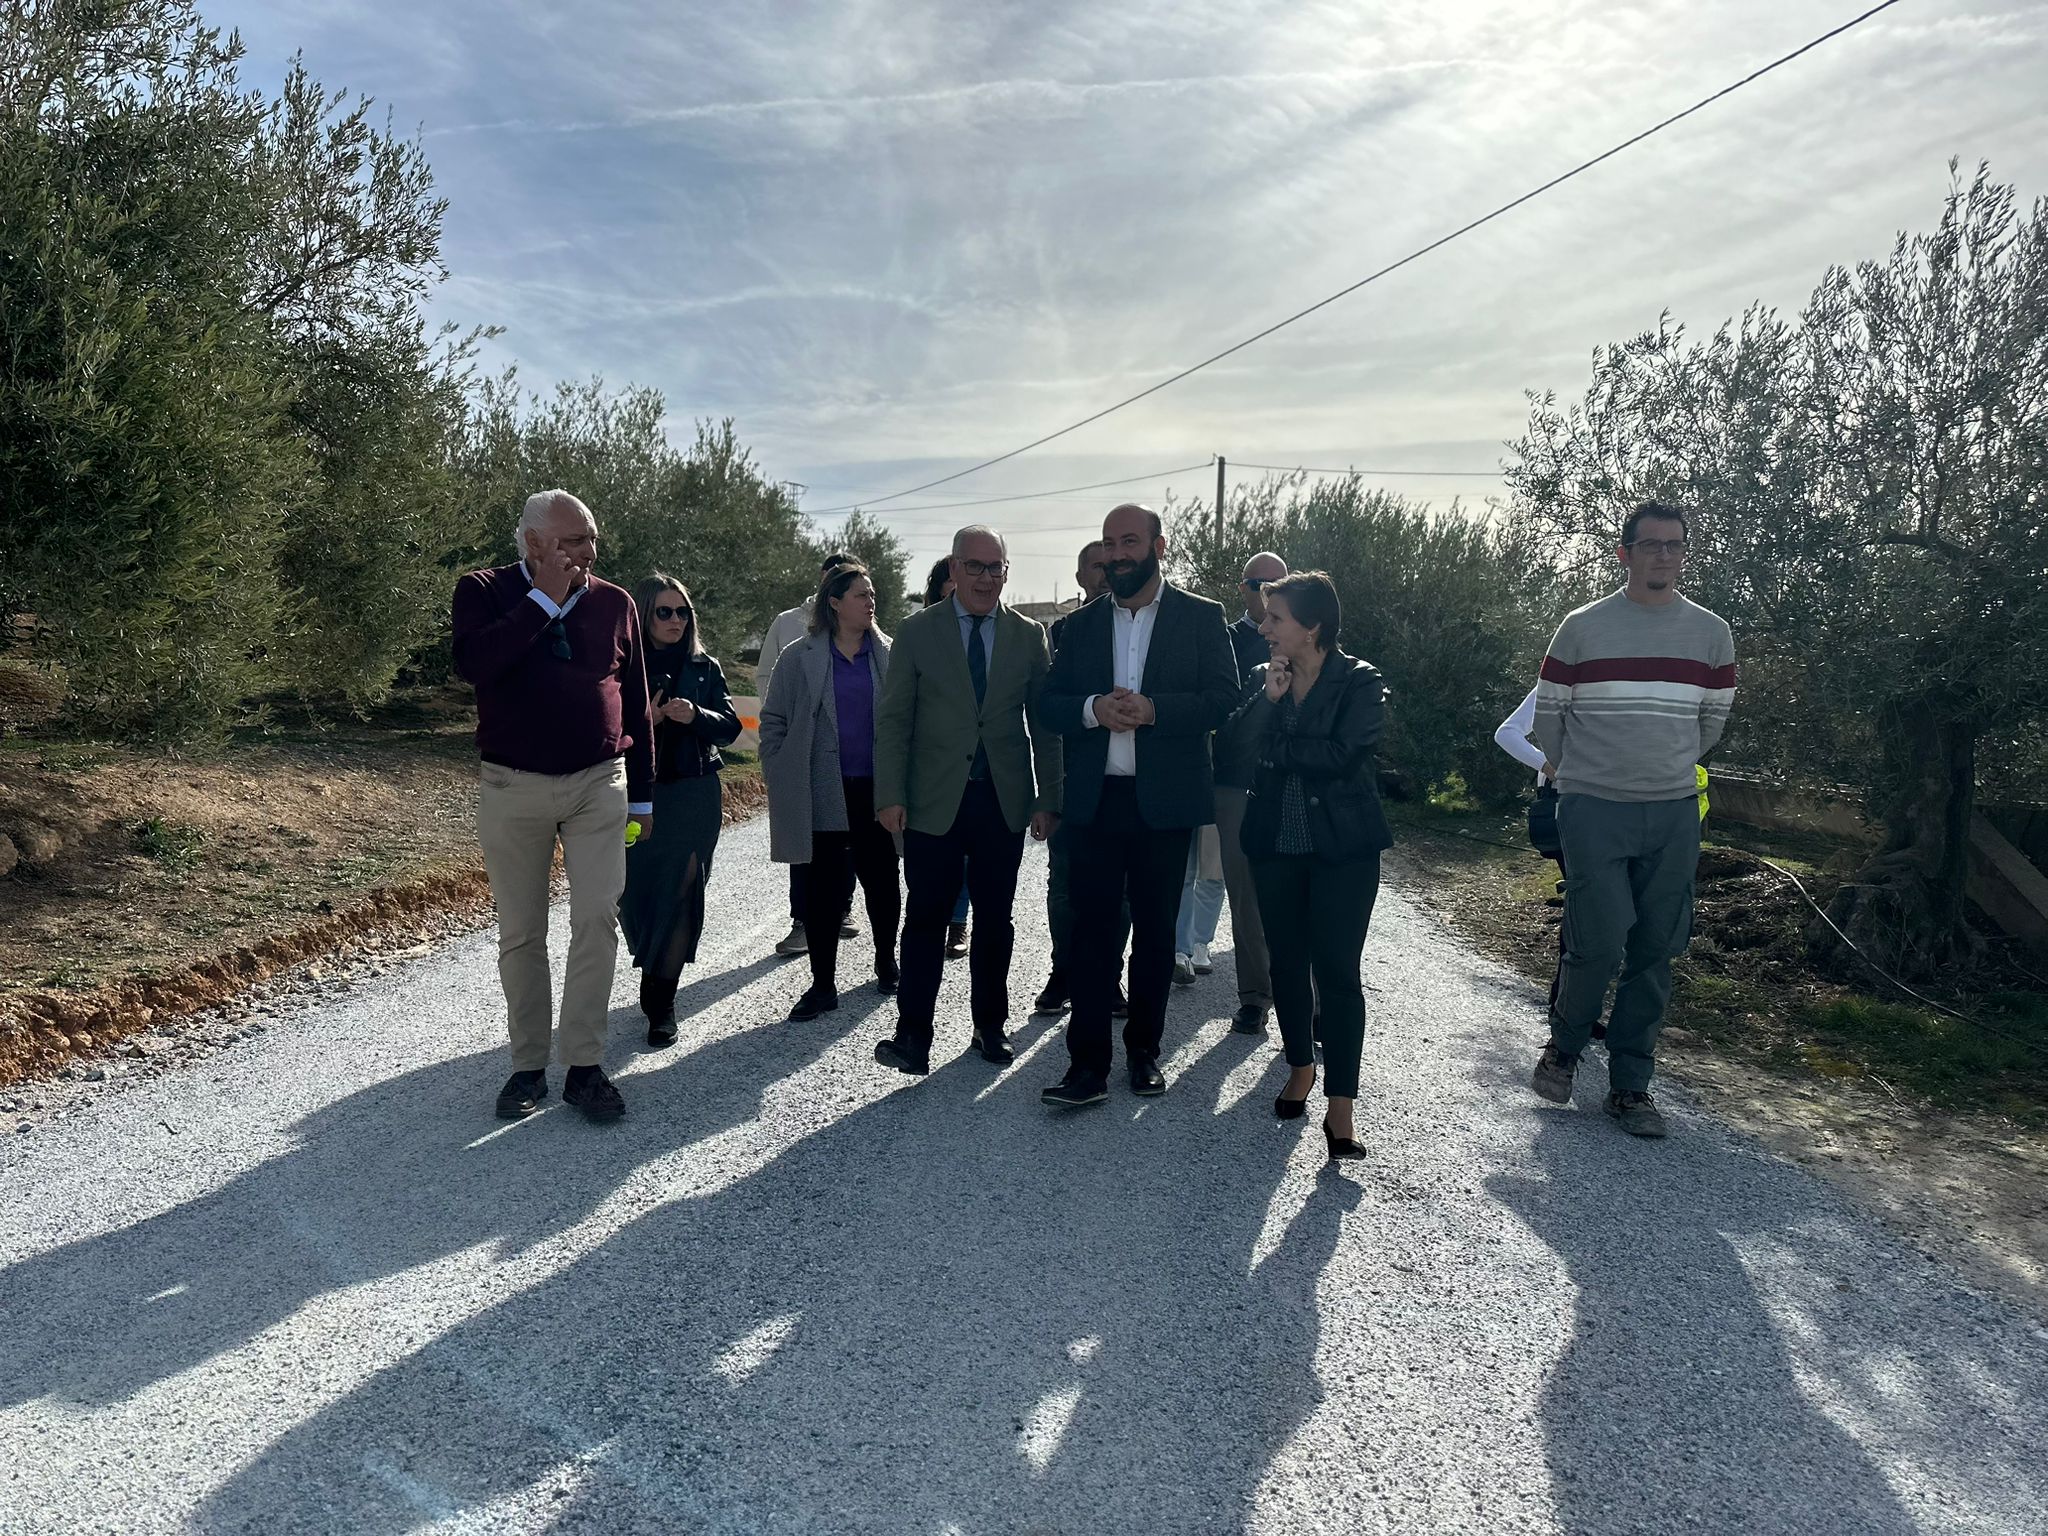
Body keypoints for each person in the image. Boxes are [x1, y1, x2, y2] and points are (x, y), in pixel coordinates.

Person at [1528, 502, 1737, 1139]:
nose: (1664, 556)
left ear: (1685, 554)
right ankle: (1565, 1049)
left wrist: (1661, 768)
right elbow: (1549, 716)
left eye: (1675, 546)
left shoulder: (1712, 634)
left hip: (1673, 810)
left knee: (1657, 948)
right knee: (1597, 939)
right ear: (1625, 554)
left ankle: (1631, 1088)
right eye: (1651, 545)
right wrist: (1585, 775)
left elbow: (1712, 722)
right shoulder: (1582, 628)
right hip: (1593, 806)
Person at [451, 489, 653, 1124]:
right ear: (534, 543)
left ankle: (586, 1066)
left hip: (600, 782)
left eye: (592, 539)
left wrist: (642, 797)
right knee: (522, 931)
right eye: (573, 541)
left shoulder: (616, 602)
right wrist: (542, 598)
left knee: (596, 918)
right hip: (514, 786)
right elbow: (477, 664)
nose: (588, 553)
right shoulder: (482, 590)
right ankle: (528, 1066)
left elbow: (638, 700)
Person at [1038, 504, 1237, 1107]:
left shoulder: (1202, 618)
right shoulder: (1077, 628)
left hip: (1165, 804)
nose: (1118, 554)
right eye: (1108, 544)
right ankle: (1086, 1067)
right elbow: (1049, 705)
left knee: (1154, 935)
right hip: (1096, 804)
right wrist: (1092, 708)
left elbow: (1224, 699)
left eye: (1129, 541)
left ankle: (1145, 1054)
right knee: (1093, 934)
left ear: (1157, 545)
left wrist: (1156, 710)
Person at [873, 526, 1063, 1074]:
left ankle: (990, 1027)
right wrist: (890, 794)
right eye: (975, 567)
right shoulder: (916, 632)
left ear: (1007, 571)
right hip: (932, 801)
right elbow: (893, 720)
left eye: (995, 567)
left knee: (996, 920)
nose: (986, 578)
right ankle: (912, 1036)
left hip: (1001, 800)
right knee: (926, 918)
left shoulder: (1029, 636)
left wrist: (1047, 797)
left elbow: (1044, 728)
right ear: (953, 569)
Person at [1229, 571, 1392, 1160]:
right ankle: (1300, 1066)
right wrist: (1269, 705)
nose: (1264, 626)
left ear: (1312, 625)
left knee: (1340, 974)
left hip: (1343, 851)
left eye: (1276, 618)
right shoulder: (1261, 678)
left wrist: (1276, 748)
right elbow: (1235, 751)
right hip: (1274, 846)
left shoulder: (1360, 681)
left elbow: (1343, 756)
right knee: (1288, 965)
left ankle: (1341, 1110)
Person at [759, 563, 901, 1020]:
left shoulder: (889, 655)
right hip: (821, 789)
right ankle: (823, 986)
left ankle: (886, 962)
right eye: (861, 594)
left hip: (878, 790)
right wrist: (778, 763)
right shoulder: (799, 656)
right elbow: (773, 718)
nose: (870, 601)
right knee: (824, 891)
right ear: (835, 603)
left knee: (881, 881)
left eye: (873, 594)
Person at [620, 574, 741, 1048]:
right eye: (664, 612)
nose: (675, 620)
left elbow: (734, 727)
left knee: (685, 889)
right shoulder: (623, 663)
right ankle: (652, 967)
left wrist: (697, 716)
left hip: (694, 794)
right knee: (636, 893)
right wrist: (642, 722)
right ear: (643, 614)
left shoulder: (704, 667)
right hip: (636, 794)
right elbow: (598, 726)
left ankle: (661, 1002)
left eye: (683, 612)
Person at [1034, 538, 1130, 1016]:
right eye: (1096, 565)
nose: (1106, 571)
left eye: (1111, 563)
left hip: (1125, 786)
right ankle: (1063, 971)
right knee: (1065, 884)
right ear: (1080, 578)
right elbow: (1047, 712)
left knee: (1123, 892)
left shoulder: (1141, 631)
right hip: (1075, 782)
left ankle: (1109, 978)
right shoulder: (1064, 633)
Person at [759, 551, 859, 960]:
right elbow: (767, 675)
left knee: (849, 837)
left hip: (848, 757)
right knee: (804, 841)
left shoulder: (862, 624)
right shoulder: (787, 623)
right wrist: (779, 746)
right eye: (833, 575)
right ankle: (802, 919)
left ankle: (844, 908)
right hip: (802, 756)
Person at [1212, 552, 1287, 1032]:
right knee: (1245, 896)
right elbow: (1227, 722)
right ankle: (1255, 996)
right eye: (1257, 582)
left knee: (1297, 896)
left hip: (1292, 787)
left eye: (1276, 583)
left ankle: (1311, 1006)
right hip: (1237, 782)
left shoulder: (1323, 655)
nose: (1265, 590)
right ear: (1243, 588)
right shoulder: (1228, 640)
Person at [921, 555, 973, 961]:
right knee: (934, 860)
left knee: (969, 857)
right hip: (932, 772)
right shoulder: (920, 634)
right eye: (952, 579)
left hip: (978, 771)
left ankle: (958, 923)